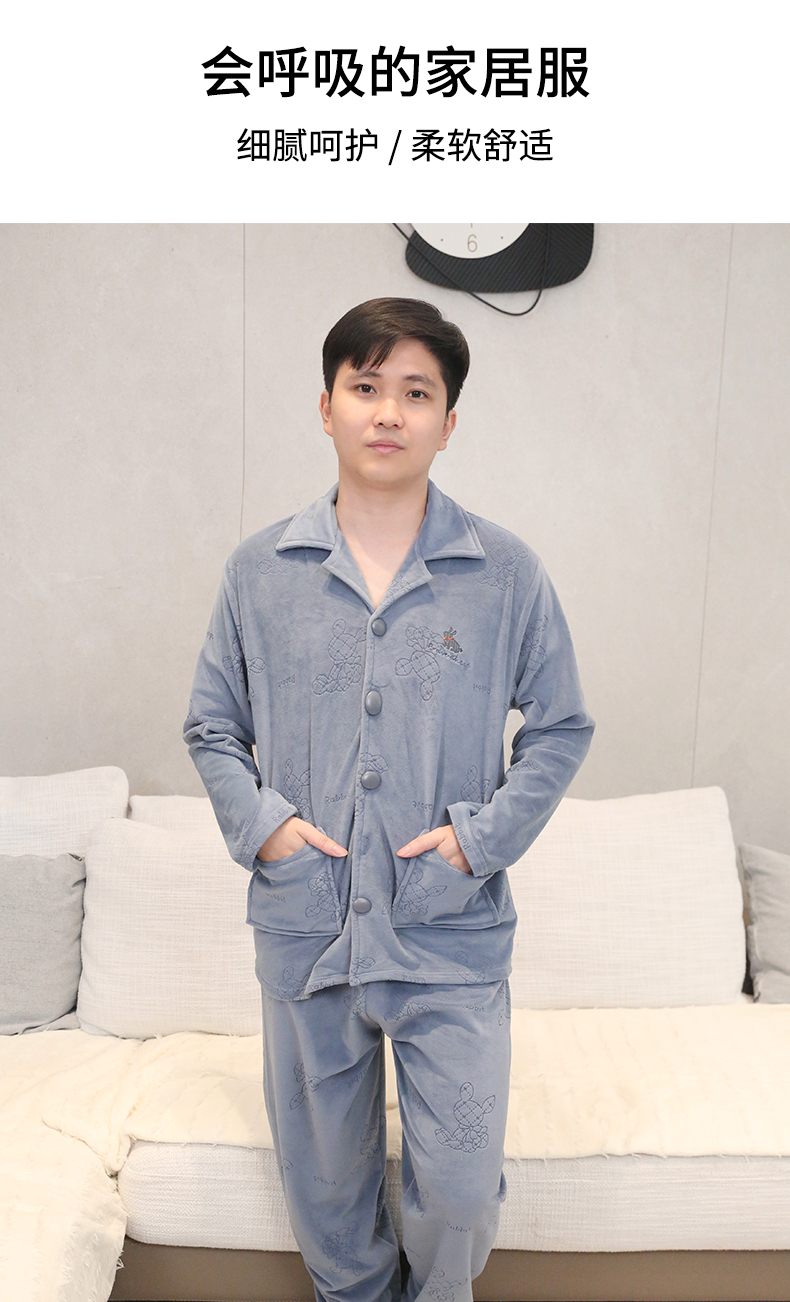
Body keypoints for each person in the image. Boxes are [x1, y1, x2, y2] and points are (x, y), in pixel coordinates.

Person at [183, 297, 595, 1302]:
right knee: (329, 1198)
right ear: (326, 406)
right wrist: (266, 830)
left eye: (416, 393)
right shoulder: (259, 573)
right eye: (365, 386)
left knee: (457, 1192)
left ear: (447, 423)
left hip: (448, 934)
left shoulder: (503, 574)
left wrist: (479, 841)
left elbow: (560, 727)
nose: (388, 412)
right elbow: (211, 727)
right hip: (306, 930)